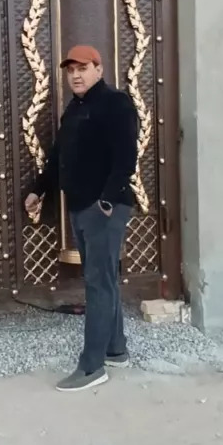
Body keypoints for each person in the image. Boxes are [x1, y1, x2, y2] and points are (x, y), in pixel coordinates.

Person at [25, 44, 138, 391]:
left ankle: (91, 367)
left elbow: (126, 157)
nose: (75, 75)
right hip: (81, 207)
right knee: (104, 279)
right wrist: (38, 189)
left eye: (83, 68)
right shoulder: (74, 109)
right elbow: (58, 156)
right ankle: (115, 350)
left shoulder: (116, 103)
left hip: (104, 208)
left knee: (97, 283)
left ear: (98, 70)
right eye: (71, 70)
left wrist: (106, 201)